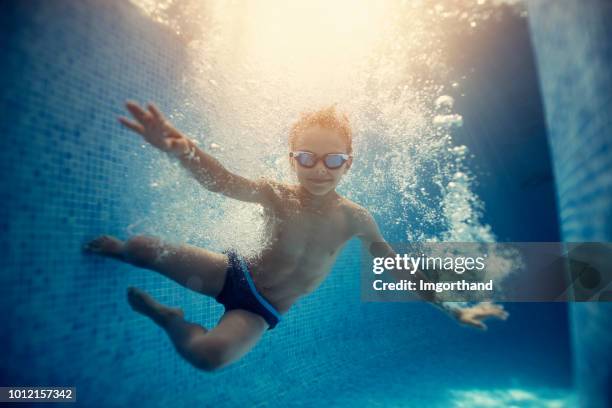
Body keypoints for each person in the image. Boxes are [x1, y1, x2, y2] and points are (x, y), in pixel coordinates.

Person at [83, 100, 508, 371]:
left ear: (348, 165)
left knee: (208, 357)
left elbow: (400, 270)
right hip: (231, 274)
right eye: (306, 157)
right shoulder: (276, 194)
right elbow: (223, 182)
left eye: (333, 159)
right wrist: (184, 149)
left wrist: (453, 311)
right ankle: (121, 251)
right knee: (138, 248)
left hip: (260, 308)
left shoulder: (356, 219)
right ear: (292, 160)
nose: (319, 169)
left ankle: (167, 318)